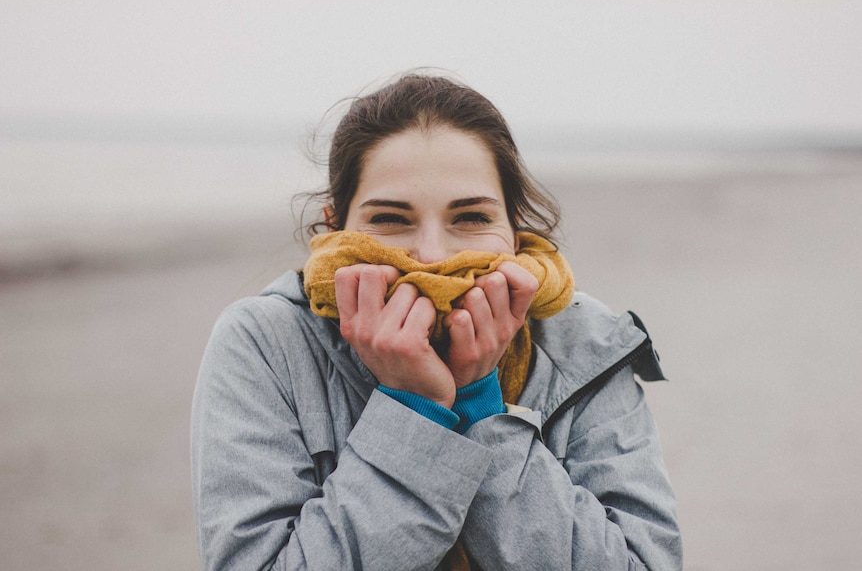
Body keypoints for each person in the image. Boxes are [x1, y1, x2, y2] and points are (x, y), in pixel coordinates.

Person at [191, 72, 682, 570]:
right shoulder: (264, 343)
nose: (431, 254)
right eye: (389, 219)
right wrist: (415, 411)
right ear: (335, 227)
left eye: (470, 218)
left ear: (514, 228)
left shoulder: (589, 343)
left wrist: (482, 412)